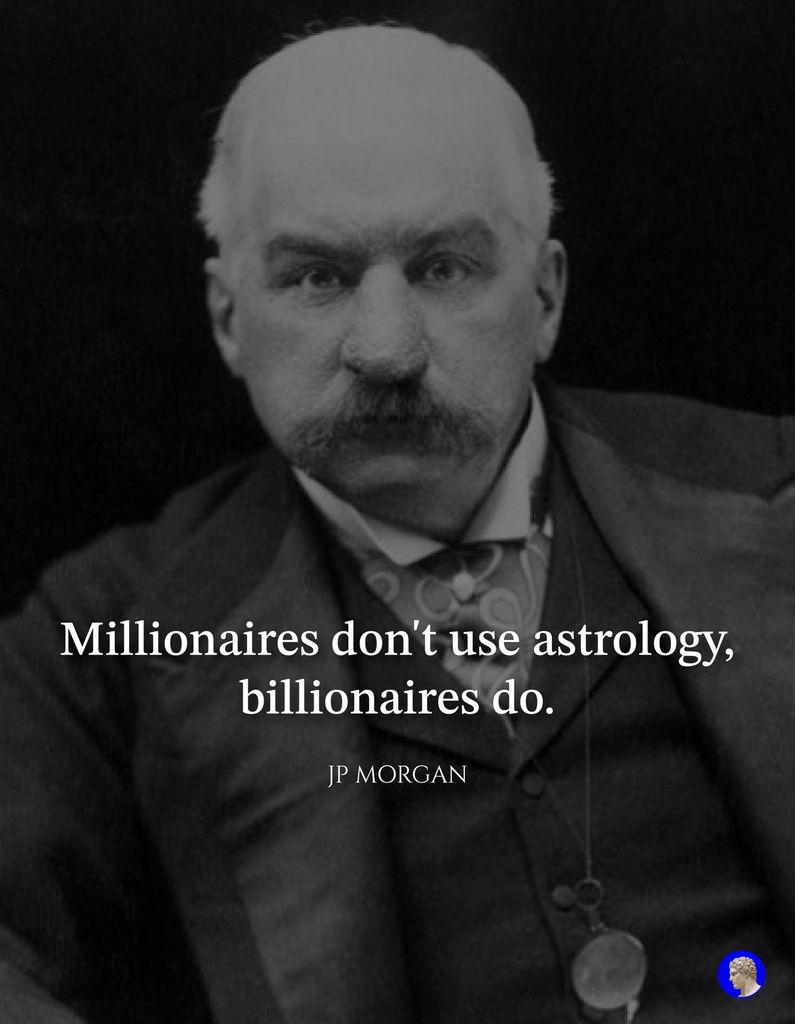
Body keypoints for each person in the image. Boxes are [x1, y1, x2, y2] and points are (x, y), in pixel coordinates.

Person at [1, 23, 795, 1024]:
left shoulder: (774, 493)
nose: (386, 349)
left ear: (545, 295)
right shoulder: (105, 634)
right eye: (317, 276)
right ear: (229, 319)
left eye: (444, 267)